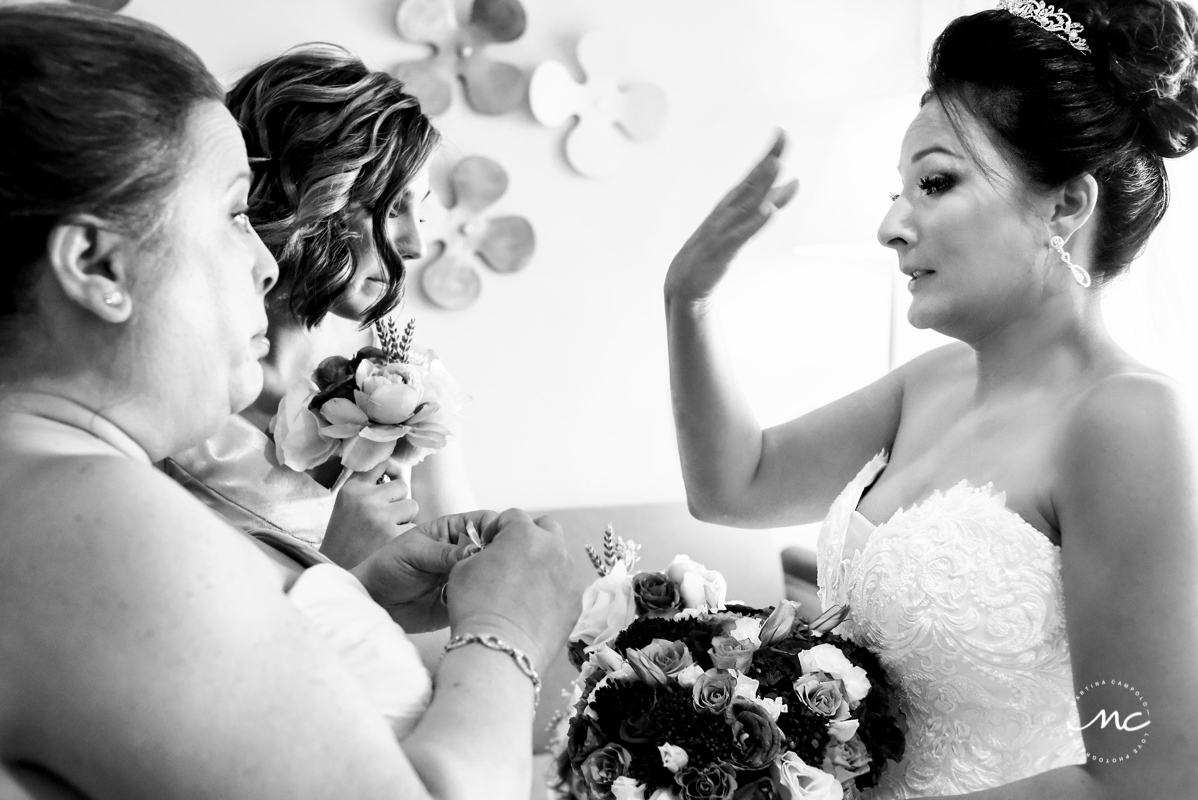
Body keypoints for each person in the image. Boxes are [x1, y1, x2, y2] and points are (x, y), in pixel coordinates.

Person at [0, 6, 580, 798]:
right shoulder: (94, 526)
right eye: (235, 212)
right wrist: (508, 629)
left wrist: (348, 591)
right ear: (99, 264)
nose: (264, 262)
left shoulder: (60, 499)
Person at [664, 1, 1198, 797]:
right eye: (899, 190)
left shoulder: (1125, 419)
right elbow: (733, 484)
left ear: (1065, 204)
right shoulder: (932, 382)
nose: (890, 226)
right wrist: (688, 300)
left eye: (935, 183)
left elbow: (1148, 776)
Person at [164, 46, 474, 568]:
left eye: (421, 213)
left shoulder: (408, 383)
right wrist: (344, 563)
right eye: (391, 207)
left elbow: (465, 575)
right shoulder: (172, 403)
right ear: (309, 195)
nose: (414, 246)